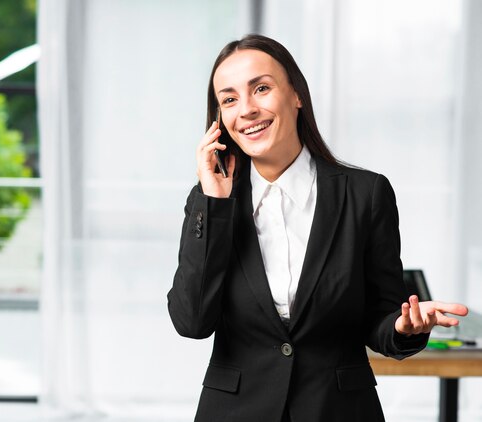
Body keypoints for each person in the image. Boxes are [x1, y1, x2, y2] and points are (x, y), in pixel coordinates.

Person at [167, 34, 468, 422]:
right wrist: (215, 204)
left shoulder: (366, 193)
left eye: (261, 88)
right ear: (219, 119)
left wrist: (404, 326)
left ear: (296, 95)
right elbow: (192, 322)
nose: (246, 109)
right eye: (229, 99)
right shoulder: (209, 201)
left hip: (339, 409)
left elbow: (381, 317)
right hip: (234, 411)